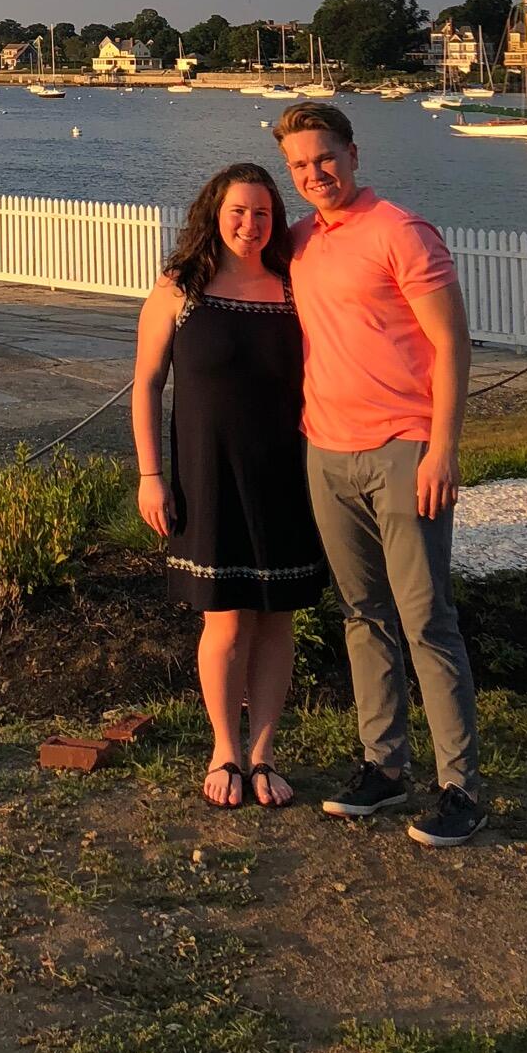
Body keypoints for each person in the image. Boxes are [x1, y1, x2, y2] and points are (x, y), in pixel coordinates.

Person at [272, 99, 484, 849]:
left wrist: (442, 448)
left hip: (403, 448)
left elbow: (453, 345)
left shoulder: (400, 230)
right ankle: (383, 768)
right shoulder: (298, 242)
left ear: (353, 154)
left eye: (324, 157)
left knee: (426, 619)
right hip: (325, 452)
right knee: (363, 616)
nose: (313, 173)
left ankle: (458, 786)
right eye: (298, 164)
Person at [131, 163, 327, 810]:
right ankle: (223, 749)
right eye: (238, 211)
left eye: (262, 213)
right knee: (224, 623)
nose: (249, 224)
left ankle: (264, 754)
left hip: (285, 474)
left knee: (275, 622)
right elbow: (145, 386)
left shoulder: (294, 287)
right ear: (213, 212)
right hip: (206, 475)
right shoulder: (179, 289)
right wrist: (149, 476)